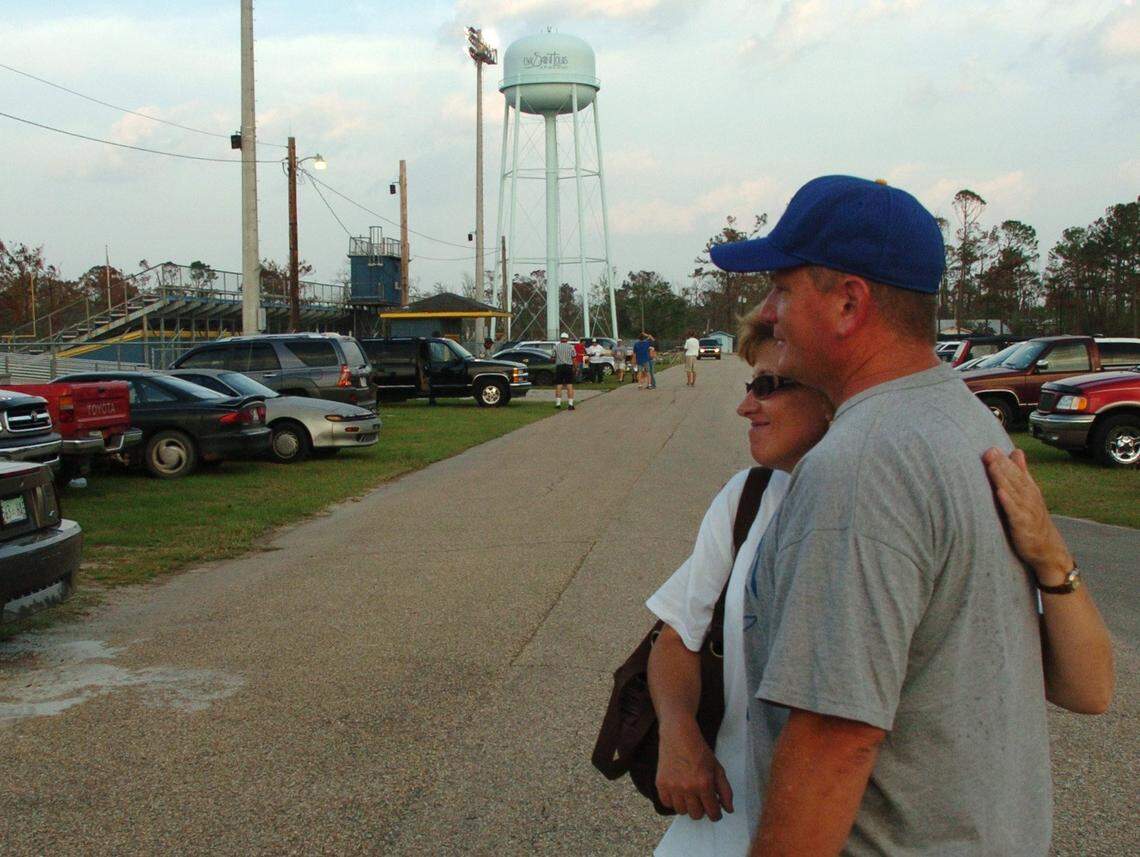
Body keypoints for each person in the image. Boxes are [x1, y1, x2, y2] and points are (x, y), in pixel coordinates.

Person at [708, 175, 1086, 855]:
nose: (768, 312)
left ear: (849, 302)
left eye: (783, 289)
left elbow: (837, 740)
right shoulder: (966, 420)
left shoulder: (862, 464)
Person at [646, 308, 1114, 857]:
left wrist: (1052, 557)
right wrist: (679, 737)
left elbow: (1088, 689)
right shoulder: (746, 499)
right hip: (727, 821)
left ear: (832, 397)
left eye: (768, 387)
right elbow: (677, 634)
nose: (746, 405)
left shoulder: (904, 490)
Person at [553, 332, 576, 410]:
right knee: (569, 385)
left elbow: (553, 357)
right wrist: (575, 367)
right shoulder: (571, 347)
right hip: (568, 366)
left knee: (559, 385)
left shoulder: (556, 347)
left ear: (560, 338)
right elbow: (574, 358)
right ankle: (570, 404)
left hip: (559, 367)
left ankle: (558, 404)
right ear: (567, 339)